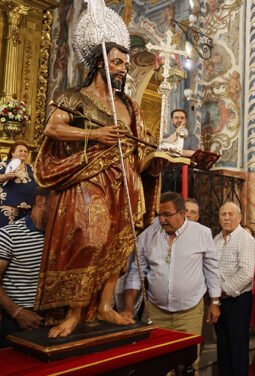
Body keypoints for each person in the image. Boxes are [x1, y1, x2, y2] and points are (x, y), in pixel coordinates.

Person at [34, 15, 163, 338]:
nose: (123, 68)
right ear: (98, 63)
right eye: (117, 62)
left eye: (124, 63)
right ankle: (75, 312)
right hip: (87, 179)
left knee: (116, 245)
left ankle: (105, 306)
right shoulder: (75, 96)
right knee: (88, 239)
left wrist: (158, 161)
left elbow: (139, 144)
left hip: (124, 180)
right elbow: (53, 128)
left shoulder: (128, 105)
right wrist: (96, 136)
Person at [123, 192, 221, 373]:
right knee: (157, 364)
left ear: (182, 214)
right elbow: (136, 272)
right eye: (159, 214)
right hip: (156, 312)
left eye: (167, 215)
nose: (161, 220)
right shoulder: (147, 235)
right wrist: (128, 308)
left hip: (190, 312)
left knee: (188, 365)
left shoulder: (201, 233)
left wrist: (215, 302)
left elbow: (212, 269)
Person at [0, 188, 52, 347]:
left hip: (53, 320)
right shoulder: (9, 234)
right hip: (17, 320)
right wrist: (17, 312)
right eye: (59, 203)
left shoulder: (61, 237)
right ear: (40, 201)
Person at [213, 201, 255, 376]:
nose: (226, 218)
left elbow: (246, 274)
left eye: (231, 214)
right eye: (223, 214)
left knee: (237, 349)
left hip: (237, 301)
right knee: (223, 347)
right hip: (218, 301)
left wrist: (222, 290)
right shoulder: (216, 239)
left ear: (239, 217)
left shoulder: (245, 239)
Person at [0, 141, 37, 227]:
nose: (23, 153)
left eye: (25, 151)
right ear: (12, 153)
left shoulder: (31, 168)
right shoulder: (3, 165)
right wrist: (4, 177)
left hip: (28, 211)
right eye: (20, 151)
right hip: (8, 209)